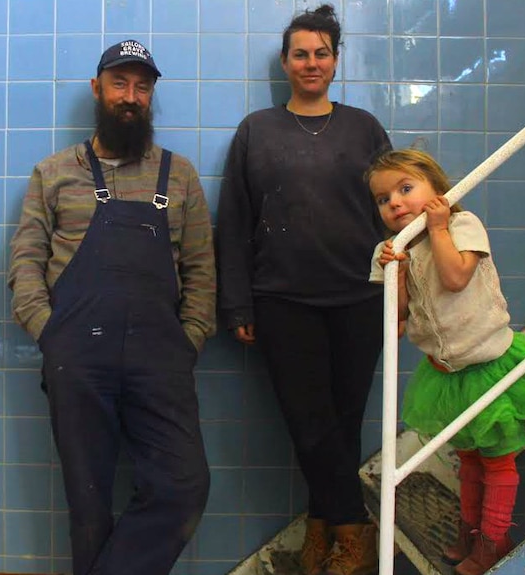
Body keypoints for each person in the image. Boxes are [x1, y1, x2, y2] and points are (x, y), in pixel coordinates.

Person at [7, 39, 215, 575]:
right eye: (120, 84)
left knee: (184, 486)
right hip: (77, 358)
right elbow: (25, 264)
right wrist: (52, 335)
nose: (131, 96)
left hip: (161, 360)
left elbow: (201, 273)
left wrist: (185, 341)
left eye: (142, 86)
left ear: (152, 95)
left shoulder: (180, 175)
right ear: (97, 89)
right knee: (89, 505)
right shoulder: (54, 173)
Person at [215, 5, 391, 575]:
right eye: (300, 54)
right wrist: (237, 302)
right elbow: (234, 225)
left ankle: (322, 527)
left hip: (361, 298)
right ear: (286, 63)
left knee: (342, 422)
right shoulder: (256, 130)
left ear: (335, 61)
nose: (310, 62)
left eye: (321, 53)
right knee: (307, 420)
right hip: (282, 301)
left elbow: (396, 206)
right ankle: (355, 531)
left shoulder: (364, 127)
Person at [368, 148, 525, 575]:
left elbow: (455, 276)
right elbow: (400, 318)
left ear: (438, 190)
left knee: (498, 459)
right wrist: (399, 270)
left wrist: (439, 227)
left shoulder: (462, 225)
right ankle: (469, 530)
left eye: (406, 188)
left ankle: (493, 538)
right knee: (466, 457)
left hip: (490, 365)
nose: (394, 202)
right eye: (382, 198)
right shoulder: (389, 250)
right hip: (445, 376)